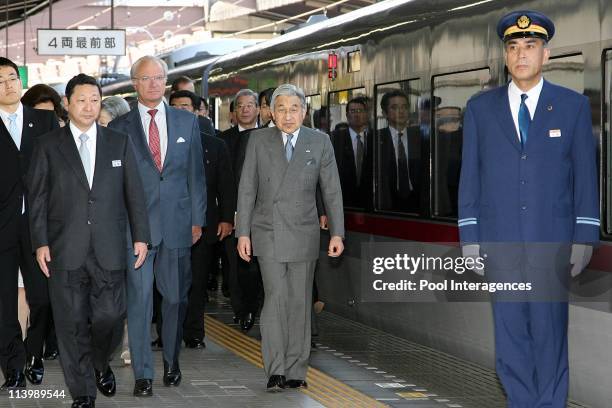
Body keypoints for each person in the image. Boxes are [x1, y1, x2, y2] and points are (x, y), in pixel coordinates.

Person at [458, 11, 598, 407]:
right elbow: (470, 178)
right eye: (514, 47)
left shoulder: (571, 107)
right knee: (511, 339)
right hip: (500, 247)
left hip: (551, 247)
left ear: (546, 54)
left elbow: (586, 178)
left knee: (550, 336)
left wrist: (585, 237)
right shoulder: (480, 109)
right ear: (505, 57)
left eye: (530, 47)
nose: (522, 55)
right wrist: (470, 238)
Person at [27, 73, 150, 408]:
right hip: (64, 248)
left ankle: (98, 362)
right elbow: (36, 198)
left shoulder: (118, 142)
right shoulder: (48, 145)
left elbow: (134, 193)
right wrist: (40, 242)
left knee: (110, 316)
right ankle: (82, 392)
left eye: (94, 100)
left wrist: (141, 236)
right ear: (67, 104)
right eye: (81, 100)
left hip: (109, 248)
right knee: (70, 323)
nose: (88, 106)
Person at [236, 84, 344, 391]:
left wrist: (337, 232)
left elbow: (331, 190)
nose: (287, 115)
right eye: (280, 109)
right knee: (276, 297)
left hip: (304, 232)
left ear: (305, 112)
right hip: (267, 231)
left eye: (294, 109)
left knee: (300, 302)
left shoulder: (319, 142)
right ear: (270, 112)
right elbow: (246, 189)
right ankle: (276, 369)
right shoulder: (258, 140)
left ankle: (297, 368)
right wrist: (243, 232)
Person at [109, 55, 206, 397]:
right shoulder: (119, 128)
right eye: (145, 78)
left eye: (159, 77)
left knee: (176, 298)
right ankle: (143, 373)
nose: (153, 83)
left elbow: (196, 175)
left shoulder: (185, 122)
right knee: (139, 301)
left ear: (166, 81)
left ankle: (172, 361)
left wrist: (198, 219)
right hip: (136, 229)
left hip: (179, 225)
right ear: (134, 83)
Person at [0, 58, 59, 392]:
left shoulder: (45, 120)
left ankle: (33, 352)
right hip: (2, 227)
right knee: (4, 301)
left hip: (39, 228)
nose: (9, 85)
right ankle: (12, 365)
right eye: (0, 80)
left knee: (43, 297)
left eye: (12, 77)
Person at [169, 90, 236, 348]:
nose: (180, 111)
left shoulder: (215, 145)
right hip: (169, 223)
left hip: (204, 224)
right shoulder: (161, 143)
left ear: (198, 111)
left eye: (185, 106)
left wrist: (227, 219)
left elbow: (226, 186)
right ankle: (167, 333)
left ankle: (194, 333)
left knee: (196, 282)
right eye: (174, 106)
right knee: (169, 282)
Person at [219, 89, 262, 332]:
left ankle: (255, 308)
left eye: (250, 105)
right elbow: (223, 181)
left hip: (263, 214)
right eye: (241, 106)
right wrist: (227, 214)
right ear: (234, 112)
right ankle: (241, 309)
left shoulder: (270, 136)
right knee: (234, 264)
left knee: (257, 266)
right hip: (233, 213)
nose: (246, 109)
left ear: (257, 109)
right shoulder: (224, 140)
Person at [378, 90, 423, 213]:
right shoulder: (376, 139)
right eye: (394, 107)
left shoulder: (420, 137)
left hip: (417, 202)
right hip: (387, 202)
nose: (401, 111)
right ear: (384, 113)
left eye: (404, 107)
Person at [331, 96, 372, 209]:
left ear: (366, 115)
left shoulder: (374, 138)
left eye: (360, 111)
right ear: (347, 115)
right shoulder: (336, 138)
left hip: (368, 201)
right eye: (353, 111)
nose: (357, 115)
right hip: (343, 200)